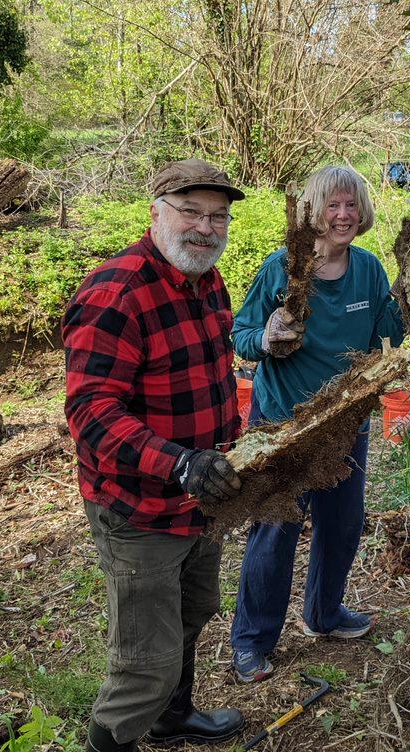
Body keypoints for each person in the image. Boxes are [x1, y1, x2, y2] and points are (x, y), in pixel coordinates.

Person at [62, 159, 248, 752]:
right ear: (157, 213)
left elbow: (213, 374)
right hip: (138, 506)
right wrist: (178, 463)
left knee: (196, 609)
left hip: (202, 497)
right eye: (191, 211)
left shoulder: (207, 280)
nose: (205, 227)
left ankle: (172, 719)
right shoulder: (116, 294)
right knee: (146, 664)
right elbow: (89, 411)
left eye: (217, 216)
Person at [228, 165, 407, 684]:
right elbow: (240, 336)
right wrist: (266, 335)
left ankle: (324, 614)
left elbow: (385, 333)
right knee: (275, 528)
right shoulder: (282, 269)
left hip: (345, 421)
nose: (344, 215)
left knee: (343, 523)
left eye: (352, 205)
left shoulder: (369, 271)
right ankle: (252, 641)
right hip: (284, 423)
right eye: (333, 205)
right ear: (314, 211)